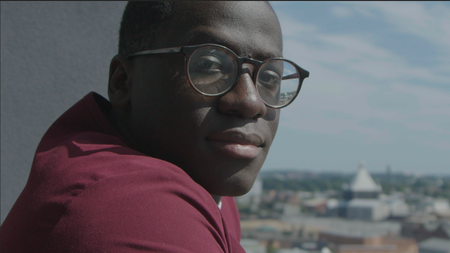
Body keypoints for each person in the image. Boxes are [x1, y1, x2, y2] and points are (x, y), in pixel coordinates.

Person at [0, 1, 309, 252]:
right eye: (210, 66)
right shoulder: (135, 211)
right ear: (122, 81)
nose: (251, 101)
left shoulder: (207, 182)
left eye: (270, 78)